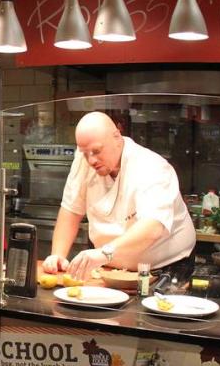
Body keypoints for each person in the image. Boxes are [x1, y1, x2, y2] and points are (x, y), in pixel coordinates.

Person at [41, 111, 196, 281]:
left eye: (96, 151)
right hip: (107, 267)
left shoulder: (152, 166)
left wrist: (104, 253)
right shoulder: (84, 160)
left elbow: (152, 228)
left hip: (163, 269)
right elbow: (71, 210)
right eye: (84, 152)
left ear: (117, 137)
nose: (91, 160)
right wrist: (57, 255)